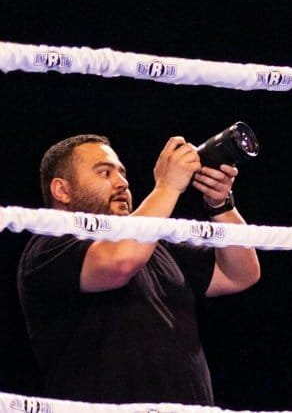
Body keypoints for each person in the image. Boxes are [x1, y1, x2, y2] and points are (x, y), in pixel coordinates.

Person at [17, 134, 261, 405]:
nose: (122, 182)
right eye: (104, 172)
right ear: (62, 190)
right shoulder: (48, 245)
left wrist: (221, 205)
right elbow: (119, 264)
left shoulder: (155, 246)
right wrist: (167, 186)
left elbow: (240, 274)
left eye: (122, 173)